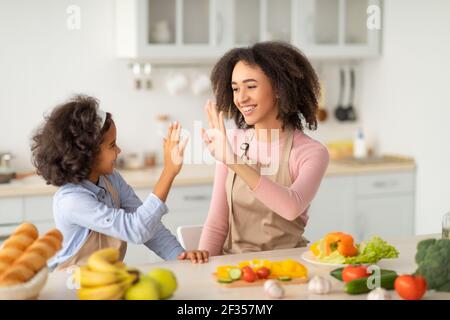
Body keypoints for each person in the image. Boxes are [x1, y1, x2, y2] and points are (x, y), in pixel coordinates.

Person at [31, 95, 209, 270]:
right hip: (70, 289)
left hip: (107, 281)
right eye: (112, 145)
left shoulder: (111, 178)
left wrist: (180, 257)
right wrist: (169, 172)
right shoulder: (71, 200)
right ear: (87, 153)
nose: (119, 150)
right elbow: (136, 230)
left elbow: (149, 228)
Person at [199, 41, 329, 256]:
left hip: (288, 266)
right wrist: (201, 264)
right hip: (235, 268)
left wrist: (233, 161)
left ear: (279, 88)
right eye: (235, 89)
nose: (241, 98)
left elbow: (291, 207)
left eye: (251, 86)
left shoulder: (311, 152)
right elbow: (217, 224)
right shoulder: (230, 141)